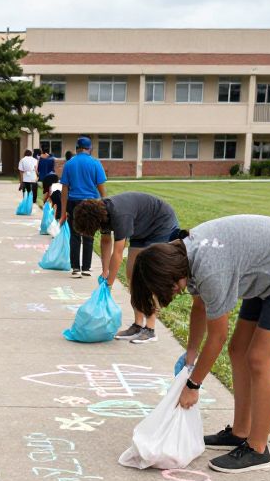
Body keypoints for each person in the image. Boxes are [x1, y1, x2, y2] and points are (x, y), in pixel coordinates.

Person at [130, 215, 270, 474]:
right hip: (269, 270)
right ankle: (240, 433)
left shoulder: (210, 269)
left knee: (259, 358)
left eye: (170, 289)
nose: (175, 294)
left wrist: (193, 385)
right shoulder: (185, 256)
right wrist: (191, 354)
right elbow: (200, 306)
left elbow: (217, 337)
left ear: (171, 273)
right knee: (239, 350)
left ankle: (258, 449)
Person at [70, 192, 181, 343]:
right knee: (131, 274)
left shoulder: (119, 214)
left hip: (160, 226)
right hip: (140, 229)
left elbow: (118, 252)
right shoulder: (102, 213)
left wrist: (109, 284)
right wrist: (105, 271)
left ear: (95, 220)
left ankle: (150, 328)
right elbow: (105, 241)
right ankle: (137, 324)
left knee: (149, 276)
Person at [59, 136, 107, 278]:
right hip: (91, 202)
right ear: (90, 148)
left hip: (73, 202)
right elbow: (101, 187)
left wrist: (63, 212)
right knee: (89, 234)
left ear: (77, 148)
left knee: (74, 236)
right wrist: (105, 205)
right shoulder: (95, 163)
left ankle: (75, 268)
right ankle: (86, 267)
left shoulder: (69, 164)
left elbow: (64, 190)